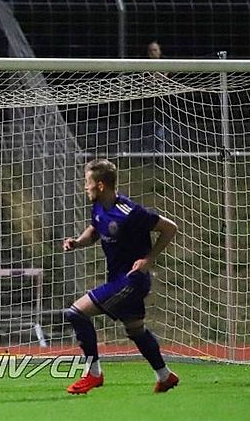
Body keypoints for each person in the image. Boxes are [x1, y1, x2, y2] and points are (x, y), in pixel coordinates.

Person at [62, 158, 180, 394]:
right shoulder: (97, 207)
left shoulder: (130, 212)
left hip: (131, 281)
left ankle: (93, 374)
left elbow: (170, 228)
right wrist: (77, 242)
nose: (85, 187)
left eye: (88, 182)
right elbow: (94, 230)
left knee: (75, 312)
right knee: (135, 330)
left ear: (101, 185)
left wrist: (150, 258)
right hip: (117, 278)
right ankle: (165, 376)